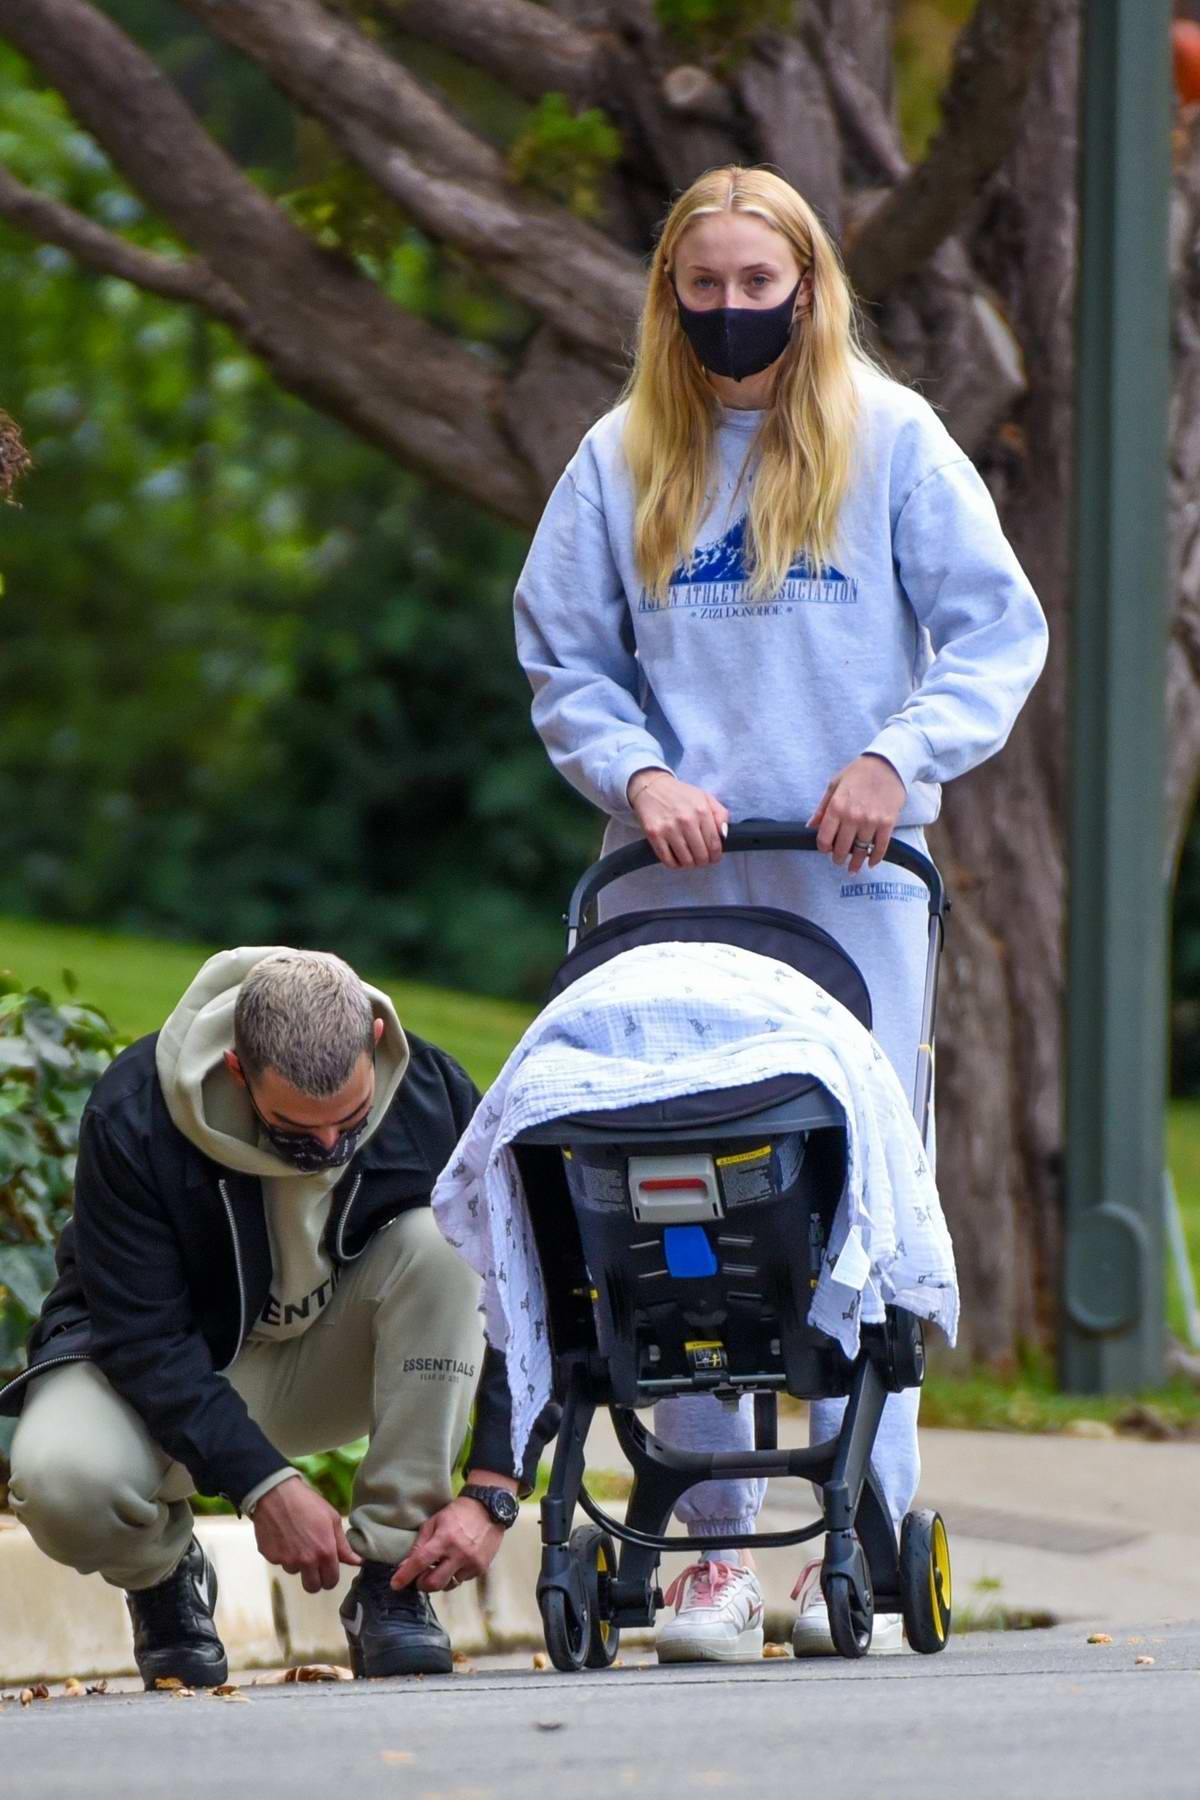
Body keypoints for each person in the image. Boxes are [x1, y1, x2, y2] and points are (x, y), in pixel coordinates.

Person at [513, 165, 1048, 1663]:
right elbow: (564, 661)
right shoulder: (620, 458)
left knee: (851, 1199)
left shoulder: (892, 442)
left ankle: (851, 1542)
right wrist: (637, 773)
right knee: (673, 1201)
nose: (736, 313)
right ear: (669, 295)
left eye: (762, 286)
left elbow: (997, 630)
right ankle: (707, 1552)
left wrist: (896, 754)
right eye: (708, 287)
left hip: (850, 882)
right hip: (677, 883)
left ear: (808, 286)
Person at [1, 948, 539, 1686]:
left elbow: (515, 1287)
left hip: (335, 1361)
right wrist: (260, 1484)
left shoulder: (430, 1091)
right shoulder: (136, 1115)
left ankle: (393, 1585)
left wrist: (495, 1487)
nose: (325, 1149)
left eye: (349, 1124)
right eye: (294, 1131)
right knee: (59, 1483)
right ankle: (163, 1578)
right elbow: (143, 1339)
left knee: (449, 1246)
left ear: (376, 1042)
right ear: (236, 1071)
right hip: (166, 1369)